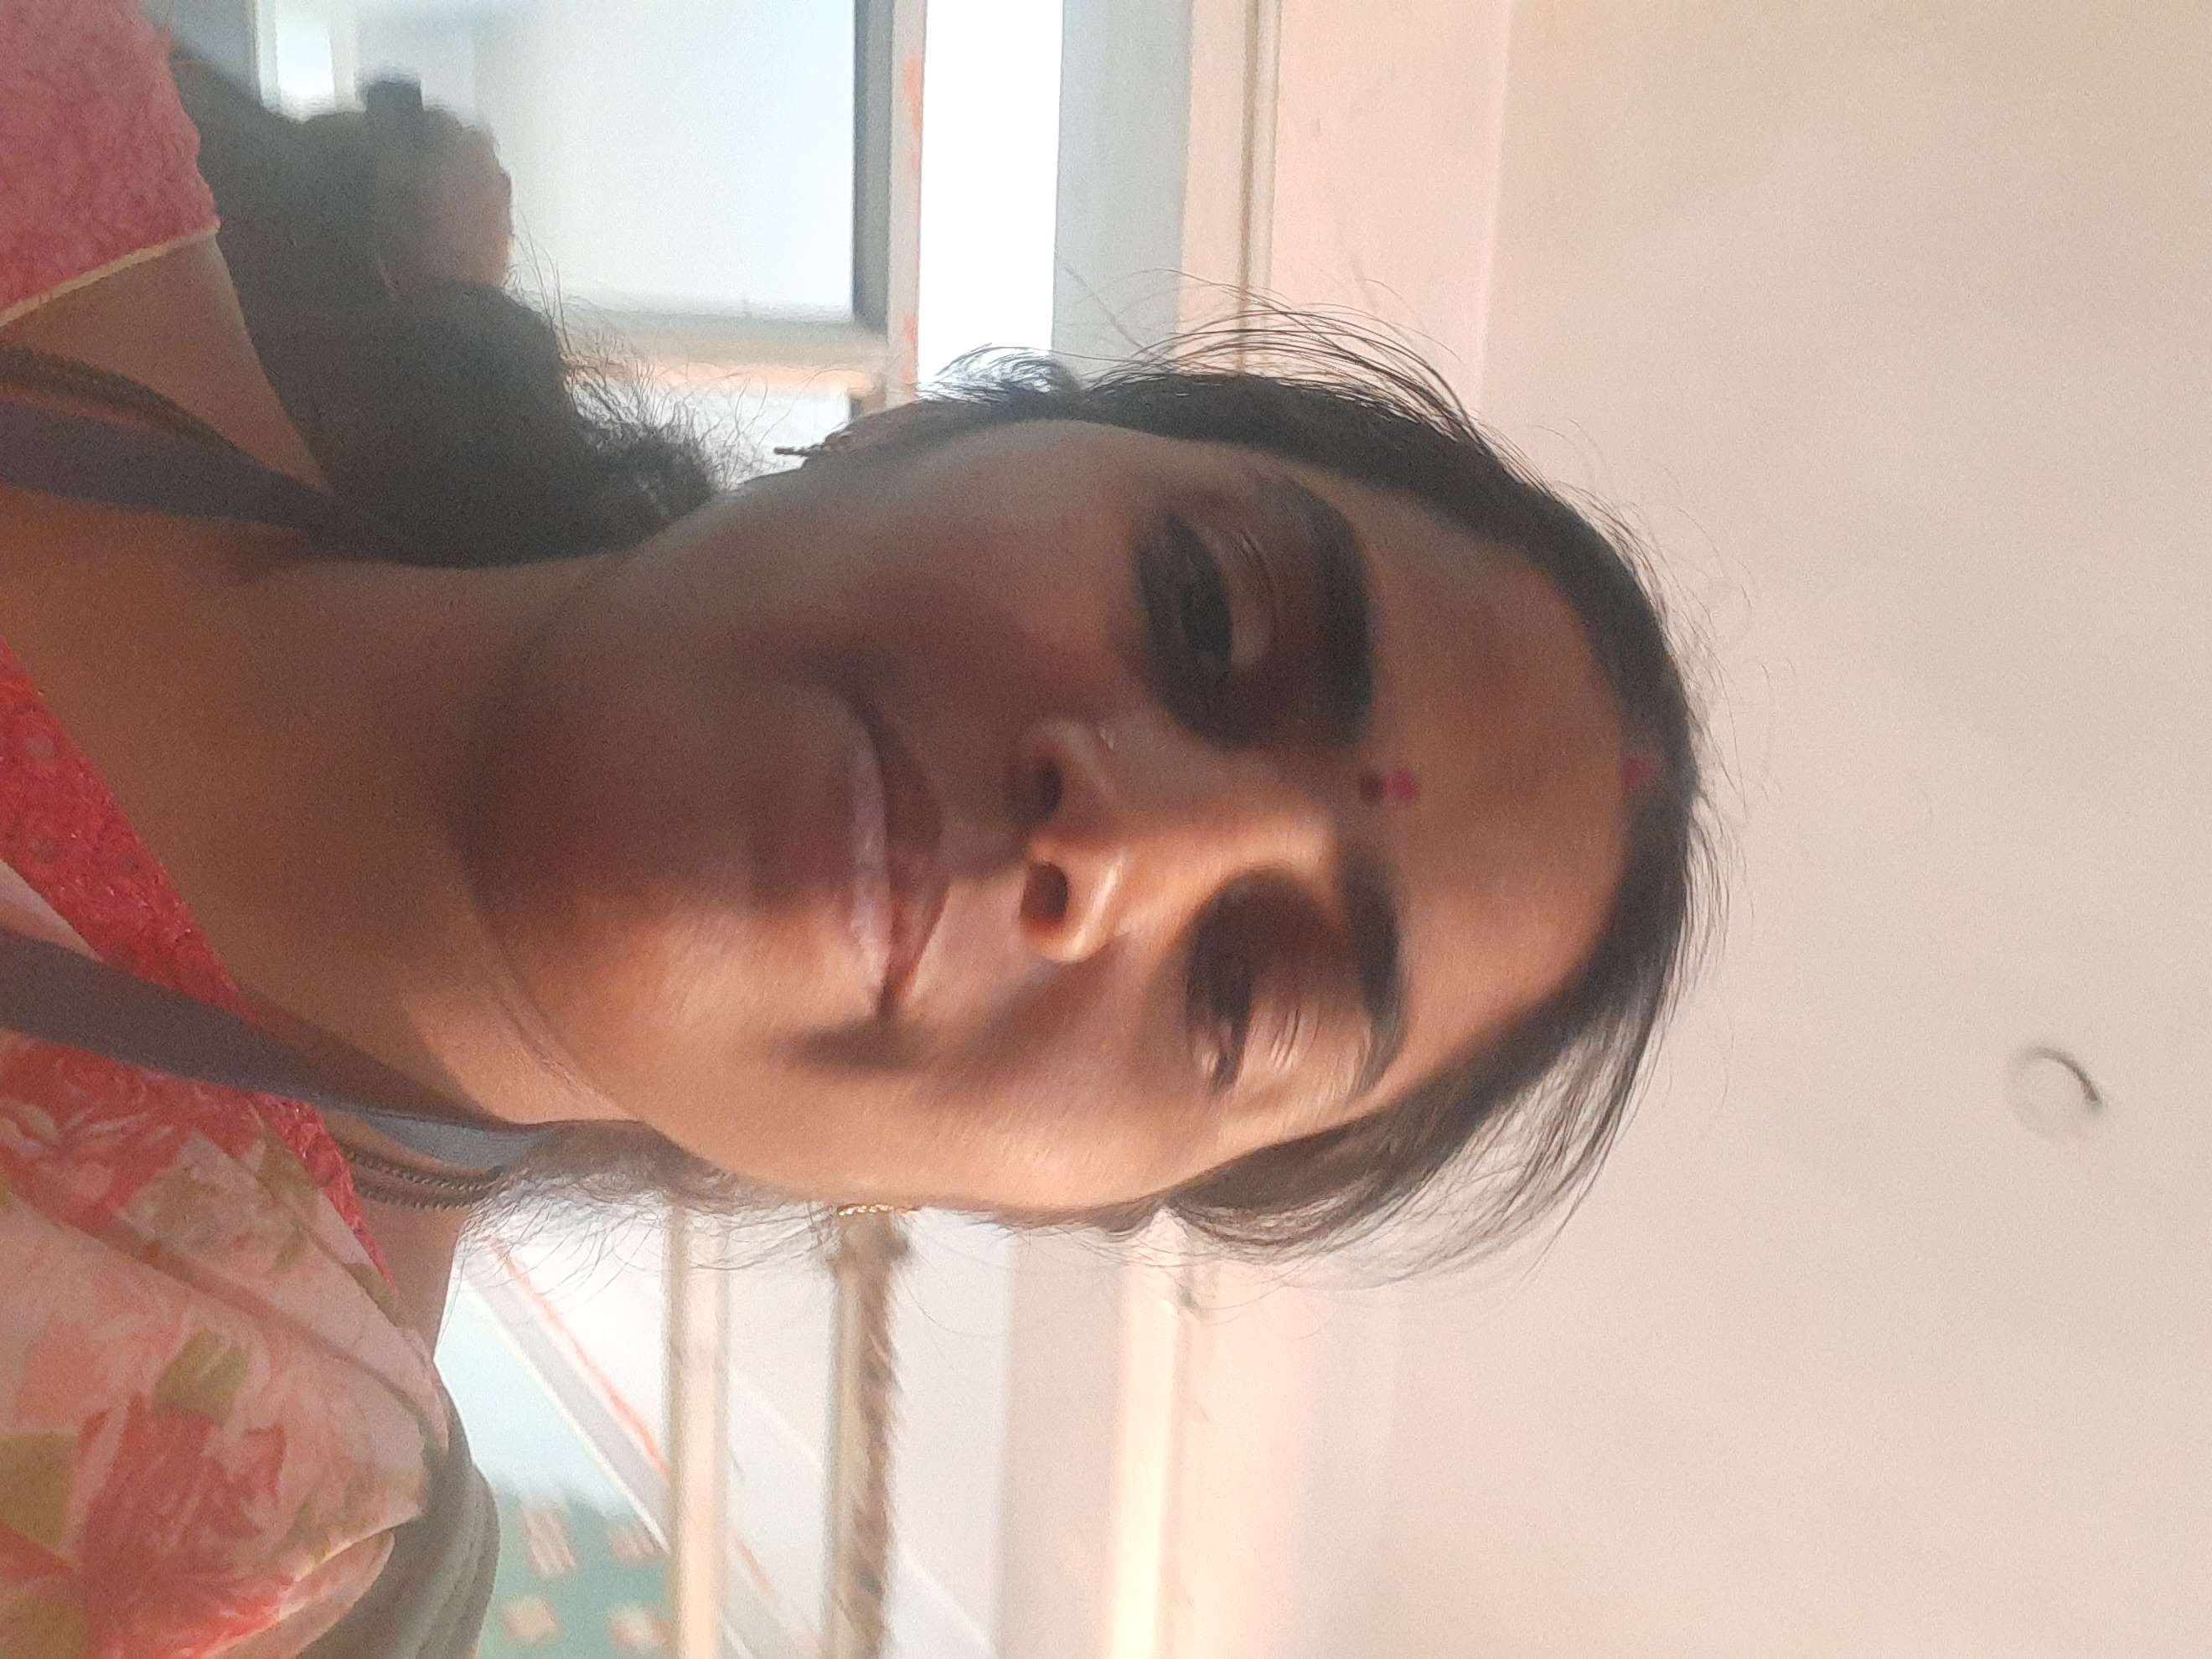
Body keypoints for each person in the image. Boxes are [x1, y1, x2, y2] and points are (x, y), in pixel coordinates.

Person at [0, 1, 1703, 1651]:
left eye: (1243, 994)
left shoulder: (231, 1555)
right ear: (932, 426)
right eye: (1206, 612)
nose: (1123, 848)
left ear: (1040, 1199)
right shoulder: (43, 103)